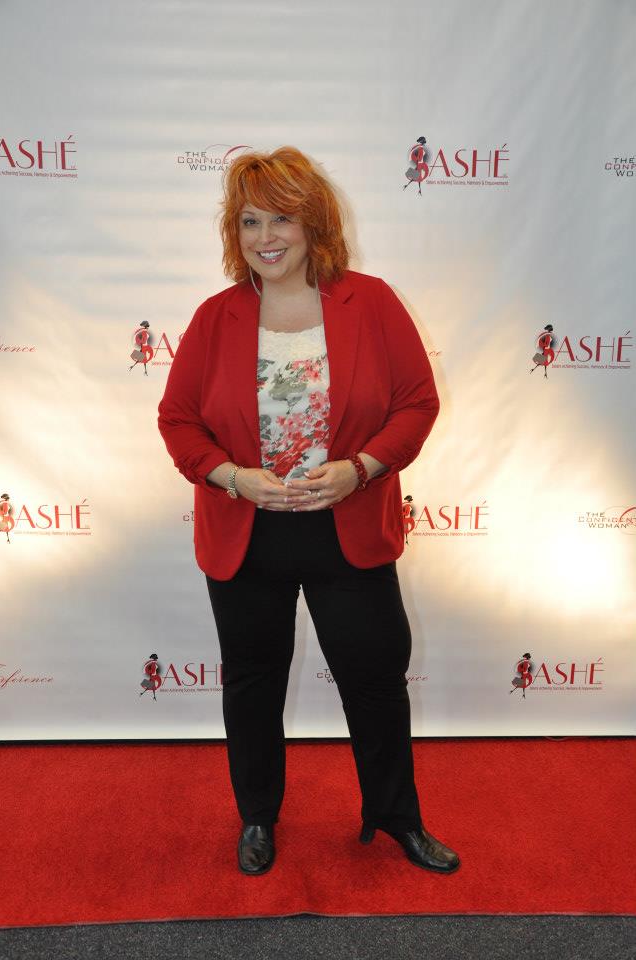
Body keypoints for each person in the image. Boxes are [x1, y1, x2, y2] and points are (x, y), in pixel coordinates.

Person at [157, 146, 459, 877]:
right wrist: (233, 477)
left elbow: (416, 404)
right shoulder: (215, 317)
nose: (265, 237)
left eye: (281, 219)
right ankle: (258, 816)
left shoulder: (371, 302)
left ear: (313, 223)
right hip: (246, 534)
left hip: (347, 529)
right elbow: (178, 421)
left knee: (376, 680)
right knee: (252, 684)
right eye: (250, 221)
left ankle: (396, 816)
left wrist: (360, 469)